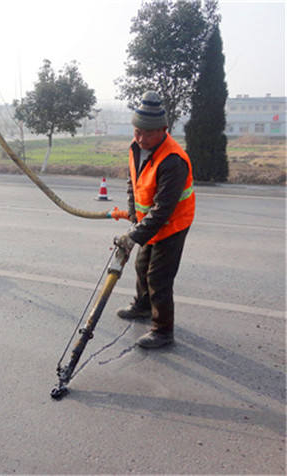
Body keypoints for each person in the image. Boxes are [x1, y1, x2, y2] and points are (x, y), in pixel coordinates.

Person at [115, 91, 195, 349]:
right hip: (149, 221)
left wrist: (134, 235)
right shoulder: (136, 147)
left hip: (172, 223)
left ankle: (162, 331)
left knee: (158, 277)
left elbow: (163, 210)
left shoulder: (173, 160)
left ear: (164, 129)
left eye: (147, 134)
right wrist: (133, 216)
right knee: (141, 266)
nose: (140, 138)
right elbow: (133, 184)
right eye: (137, 132)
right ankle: (142, 306)